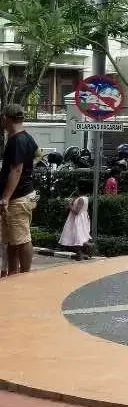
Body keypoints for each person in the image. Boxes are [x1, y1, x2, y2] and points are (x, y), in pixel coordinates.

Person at [0, 104, 38, 277]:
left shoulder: (17, 140)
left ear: (6, 118)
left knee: (22, 239)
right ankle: (14, 273)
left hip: (18, 197)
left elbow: (17, 170)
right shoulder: (25, 138)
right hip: (21, 195)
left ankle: (24, 275)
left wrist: (6, 197)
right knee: (12, 240)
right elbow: (38, 154)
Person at [60, 180, 93, 261]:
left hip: (77, 221)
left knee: (77, 238)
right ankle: (85, 250)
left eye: (77, 188)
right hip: (81, 219)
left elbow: (76, 212)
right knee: (79, 237)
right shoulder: (84, 198)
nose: (76, 189)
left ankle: (81, 254)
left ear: (80, 189)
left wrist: (69, 205)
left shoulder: (81, 199)